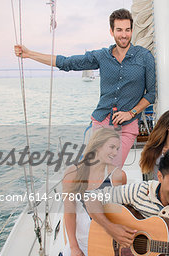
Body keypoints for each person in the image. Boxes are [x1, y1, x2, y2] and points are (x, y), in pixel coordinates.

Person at [14, 8, 156, 166]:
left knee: (111, 167)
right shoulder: (102, 56)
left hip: (127, 126)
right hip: (102, 120)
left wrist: (131, 113)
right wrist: (29, 54)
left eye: (127, 30)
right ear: (111, 31)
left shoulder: (144, 57)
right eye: (119, 30)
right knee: (90, 169)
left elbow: (151, 94)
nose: (124, 35)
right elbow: (67, 62)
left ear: (132, 30)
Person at [44, 128, 127, 256]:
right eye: (111, 147)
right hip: (80, 243)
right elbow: (69, 213)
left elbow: (121, 214)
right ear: (97, 145)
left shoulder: (117, 176)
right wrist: (73, 247)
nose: (115, 152)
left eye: (117, 149)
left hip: (105, 247)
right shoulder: (73, 173)